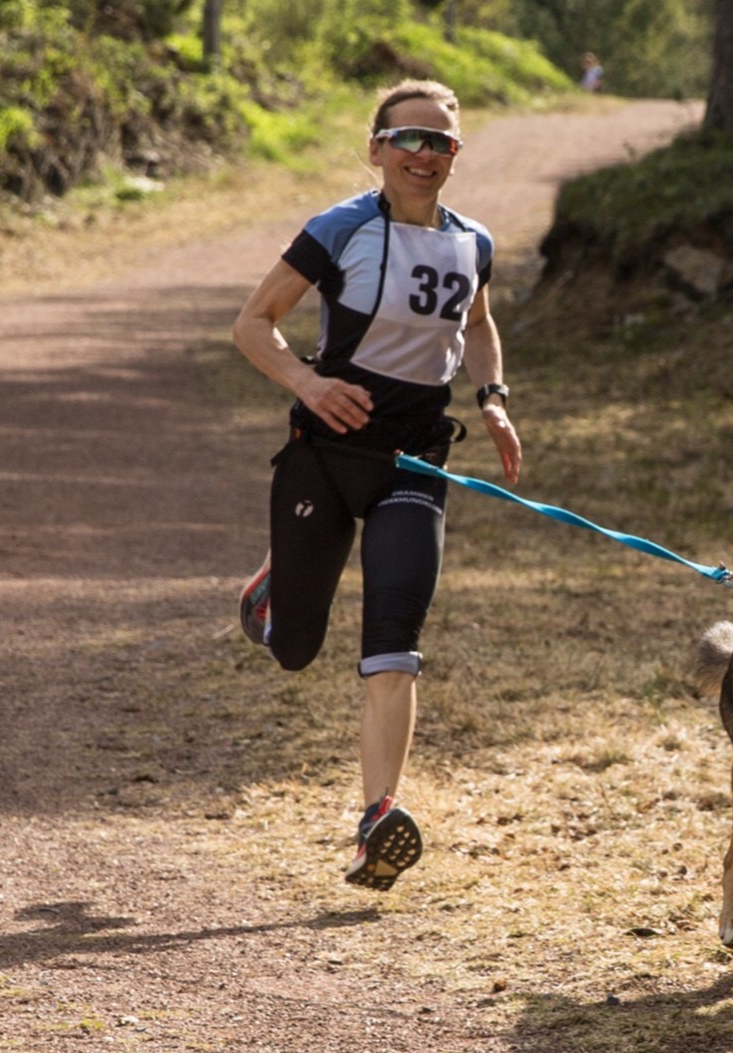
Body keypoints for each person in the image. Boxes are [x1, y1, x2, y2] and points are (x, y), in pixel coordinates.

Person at [229, 79, 523, 892]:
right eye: (409, 140)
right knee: (294, 647)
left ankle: (375, 820)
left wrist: (492, 400)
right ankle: (271, 590)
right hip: (325, 453)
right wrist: (309, 384)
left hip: (416, 461)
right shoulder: (339, 229)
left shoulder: (474, 244)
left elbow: (479, 323)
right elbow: (253, 324)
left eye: (442, 144)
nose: (425, 156)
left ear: (455, 158)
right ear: (376, 148)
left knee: (393, 646)